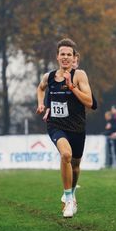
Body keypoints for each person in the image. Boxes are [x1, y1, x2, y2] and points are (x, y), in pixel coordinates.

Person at [36, 38, 93, 218]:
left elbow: (89, 102)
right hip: (56, 125)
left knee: (75, 166)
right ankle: (68, 201)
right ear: (57, 57)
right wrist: (41, 104)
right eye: (63, 54)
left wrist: (71, 87)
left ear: (74, 57)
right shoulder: (49, 76)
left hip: (77, 126)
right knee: (65, 155)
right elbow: (40, 88)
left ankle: (72, 193)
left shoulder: (79, 75)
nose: (66, 57)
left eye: (69, 54)